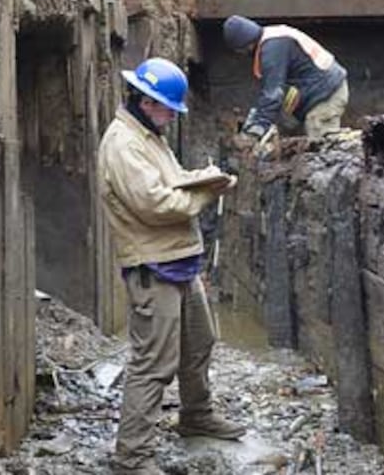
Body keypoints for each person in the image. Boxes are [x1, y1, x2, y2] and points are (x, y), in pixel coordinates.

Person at [97, 57, 246, 475]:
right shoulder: (122, 145)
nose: (173, 115)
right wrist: (206, 196)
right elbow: (156, 204)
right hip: (153, 265)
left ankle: (196, 415)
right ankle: (133, 456)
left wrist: (202, 177)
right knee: (154, 364)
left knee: (200, 341)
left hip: (178, 259)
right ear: (147, 102)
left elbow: (171, 180)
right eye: (169, 108)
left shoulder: (148, 135)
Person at [222, 14, 349, 143]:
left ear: (245, 46)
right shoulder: (273, 36)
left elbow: (273, 93)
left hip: (325, 95)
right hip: (323, 90)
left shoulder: (272, 50)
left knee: (322, 150)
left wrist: (257, 128)